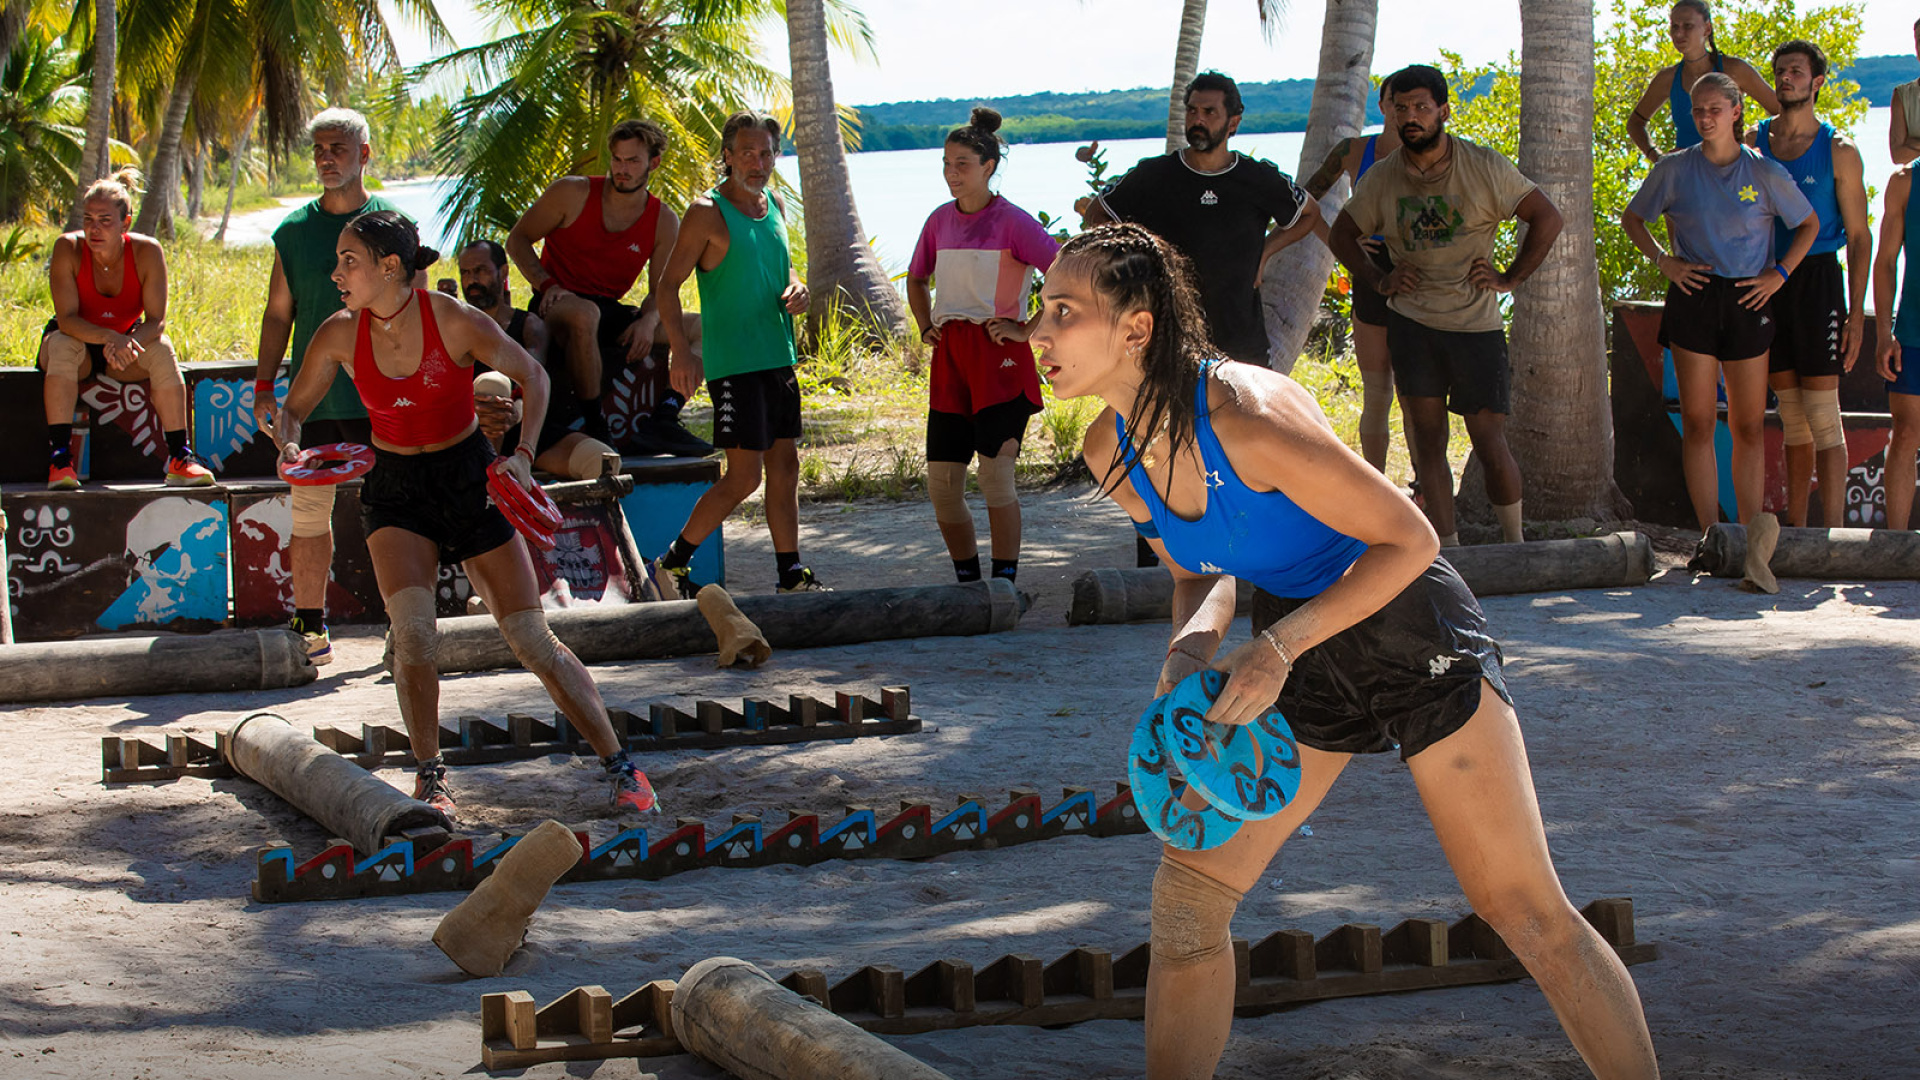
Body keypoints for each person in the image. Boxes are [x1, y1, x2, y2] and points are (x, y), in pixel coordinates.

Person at [1032, 222, 1659, 1080]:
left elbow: (1414, 537)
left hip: (1406, 624)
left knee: (1524, 912)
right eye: (1040, 307)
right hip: (1299, 645)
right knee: (1188, 904)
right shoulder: (1110, 448)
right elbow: (1199, 573)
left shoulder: (1246, 421)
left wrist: (1278, 646)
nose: (1038, 331)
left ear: (1136, 328)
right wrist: (1184, 659)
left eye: (1063, 311)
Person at [275, 210, 658, 819]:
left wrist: (526, 458)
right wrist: (290, 446)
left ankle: (623, 767)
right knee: (415, 637)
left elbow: (532, 375)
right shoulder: (337, 333)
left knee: (534, 640)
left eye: (349, 261)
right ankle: (431, 779)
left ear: (390, 266)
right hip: (395, 491)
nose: (337, 273)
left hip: (468, 477)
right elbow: (291, 412)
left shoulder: (450, 319)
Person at [1331, 65, 1563, 547]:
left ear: (1443, 112)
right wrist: (1379, 279)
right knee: (1428, 443)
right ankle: (1451, 552)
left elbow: (1546, 217)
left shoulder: (1483, 165)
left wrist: (1510, 277)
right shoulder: (1382, 177)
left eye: (1420, 107)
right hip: (1413, 326)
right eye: (1401, 109)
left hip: (1476, 326)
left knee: (1489, 441)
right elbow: (1341, 234)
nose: (1410, 117)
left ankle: (1514, 545)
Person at [1623, 72, 1818, 536]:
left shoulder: (1764, 170)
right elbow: (1634, 218)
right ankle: (1711, 534)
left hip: (1749, 296)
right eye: (1698, 110)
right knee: (1698, 421)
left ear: (1736, 112)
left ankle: (1750, 535)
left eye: (1715, 109)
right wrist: (1664, 262)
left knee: (1748, 424)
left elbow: (1807, 224)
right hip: (1694, 296)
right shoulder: (1674, 168)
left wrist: (1780, 274)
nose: (1706, 118)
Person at [651, 111, 824, 596]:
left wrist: (798, 290)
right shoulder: (706, 211)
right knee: (744, 477)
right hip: (735, 367)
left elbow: (784, 273)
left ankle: (790, 574)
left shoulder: (775, 204)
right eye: (747, 152)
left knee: (785, 469)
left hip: (777, 356)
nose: (758, 162)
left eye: (766, 152)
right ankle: (673, 563)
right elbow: (667, 288)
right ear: (726, 156)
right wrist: (681, 354)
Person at [253, 108, 399, 664]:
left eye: (338, 147)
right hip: (313, 401)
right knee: (310, 515)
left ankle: (402, 629)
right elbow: (276, 313)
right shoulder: (293, 232)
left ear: (365, 154)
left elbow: (422, 312)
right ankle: (311, 629)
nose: (326, 158)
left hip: (386, 402)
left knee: (393, 516)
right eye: (319, 149)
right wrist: (266, 385)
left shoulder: (396, 226)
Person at [905, 108, 1059, 586]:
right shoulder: (938, 221)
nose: (953, 173)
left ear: (989, 165)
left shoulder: (1014, 222)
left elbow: (1068, 276)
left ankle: (1005, 585)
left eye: (963, 164)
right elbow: (916, 278)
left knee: (996, 481)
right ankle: (970, 586)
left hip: (1001, 359)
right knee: (943, 487)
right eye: (947, 164)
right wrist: (925, 323)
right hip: (950, 359)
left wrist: (1027, 328)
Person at [1081, 70, 1321, 367]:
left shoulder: (1256, 178)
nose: (1198, 120)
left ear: (1233, 123)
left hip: (1242, 345)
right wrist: (1133, 262)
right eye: (1192, 110)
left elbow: (1309, 213)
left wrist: (1265, 253)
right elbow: (1098, 214)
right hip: (1170, 342)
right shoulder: (1155, 175)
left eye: (1209, 112)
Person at [506, 118, 712, 459]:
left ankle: (665, 416)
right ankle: (595, 424)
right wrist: (547, 283)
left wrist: (648, 322)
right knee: (585, 313)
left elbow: (664, 288)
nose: (622, 169)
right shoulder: (572, 192)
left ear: (653, 163)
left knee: (705, 327)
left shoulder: (663, 220)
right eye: (617, 159)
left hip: (610, 310)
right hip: (559, 302)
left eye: (632, 161)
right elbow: (517, 239)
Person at [1755, 40, 1871, 528]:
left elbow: (1861, 236)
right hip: (1768, 280)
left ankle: (1836, 536)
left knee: (1824, 415)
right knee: (1792, 416)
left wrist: (1857, 314)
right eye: (1780, 71)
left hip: (1821, 278)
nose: (1786, 79)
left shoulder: (1839, 151)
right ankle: (1799, 534)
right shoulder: (1756, 143)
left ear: (1817, 82)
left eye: (1796, 72)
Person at [39, 169, 213, 490]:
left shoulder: (147, 251)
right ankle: (61, 462)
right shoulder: (68, 248)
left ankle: (181, 458)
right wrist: (110, 337)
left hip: (121, 349)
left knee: (162, 350)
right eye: (88, 218)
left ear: (126, 223)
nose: (94, 228)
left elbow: (156, 321)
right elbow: (67, 320)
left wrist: (126, 342)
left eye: (105, 220)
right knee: (63, 344)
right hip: (77, 346)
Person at [1303, 78, 1402, 473]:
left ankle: (1427, 491)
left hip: (1424, 280)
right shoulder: (1353, 151)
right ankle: (1377, 488)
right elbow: (1302, 203)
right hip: (1369, 273)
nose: (1403, 111)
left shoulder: (1436, 153)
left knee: (1419, 397)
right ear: (1382, 104)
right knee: (1377, 393)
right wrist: (1343, 246)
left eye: (1414, 104)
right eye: (1396, 101)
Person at [458, 239, 620, 480]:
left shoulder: (529, 326)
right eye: (466, 273)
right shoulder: (455, 327)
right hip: (467, 434)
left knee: (602, 461)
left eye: (480, 271)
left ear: (503, 272)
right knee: (491, 385)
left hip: (527, 430)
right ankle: (489, 491)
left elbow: (532, 377)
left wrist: (517, 412)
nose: (472, 280)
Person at [1628, 0, 1778, 164]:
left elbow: (1783, 112)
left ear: (1707, 29)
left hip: (1729, 173)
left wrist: (1753, 134)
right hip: (1686, 176)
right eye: (1675, 27)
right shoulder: (1667, 78)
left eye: (1688, 26)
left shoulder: (1734, 70)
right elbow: (1635, 123)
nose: (1679, 34)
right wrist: (1658, 157)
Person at [1871, 166, 1920, 531]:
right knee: (1906, 431)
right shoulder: (1905, 182)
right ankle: (1897, 543)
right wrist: (1883, 332)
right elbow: (1886, 262)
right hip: (1913, 331)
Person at [1887, 19, 1920, 167]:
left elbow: (1905, 151)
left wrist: (1913, 142)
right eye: (1919, 40)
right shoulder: (1902, 96)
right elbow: (1898, 155)